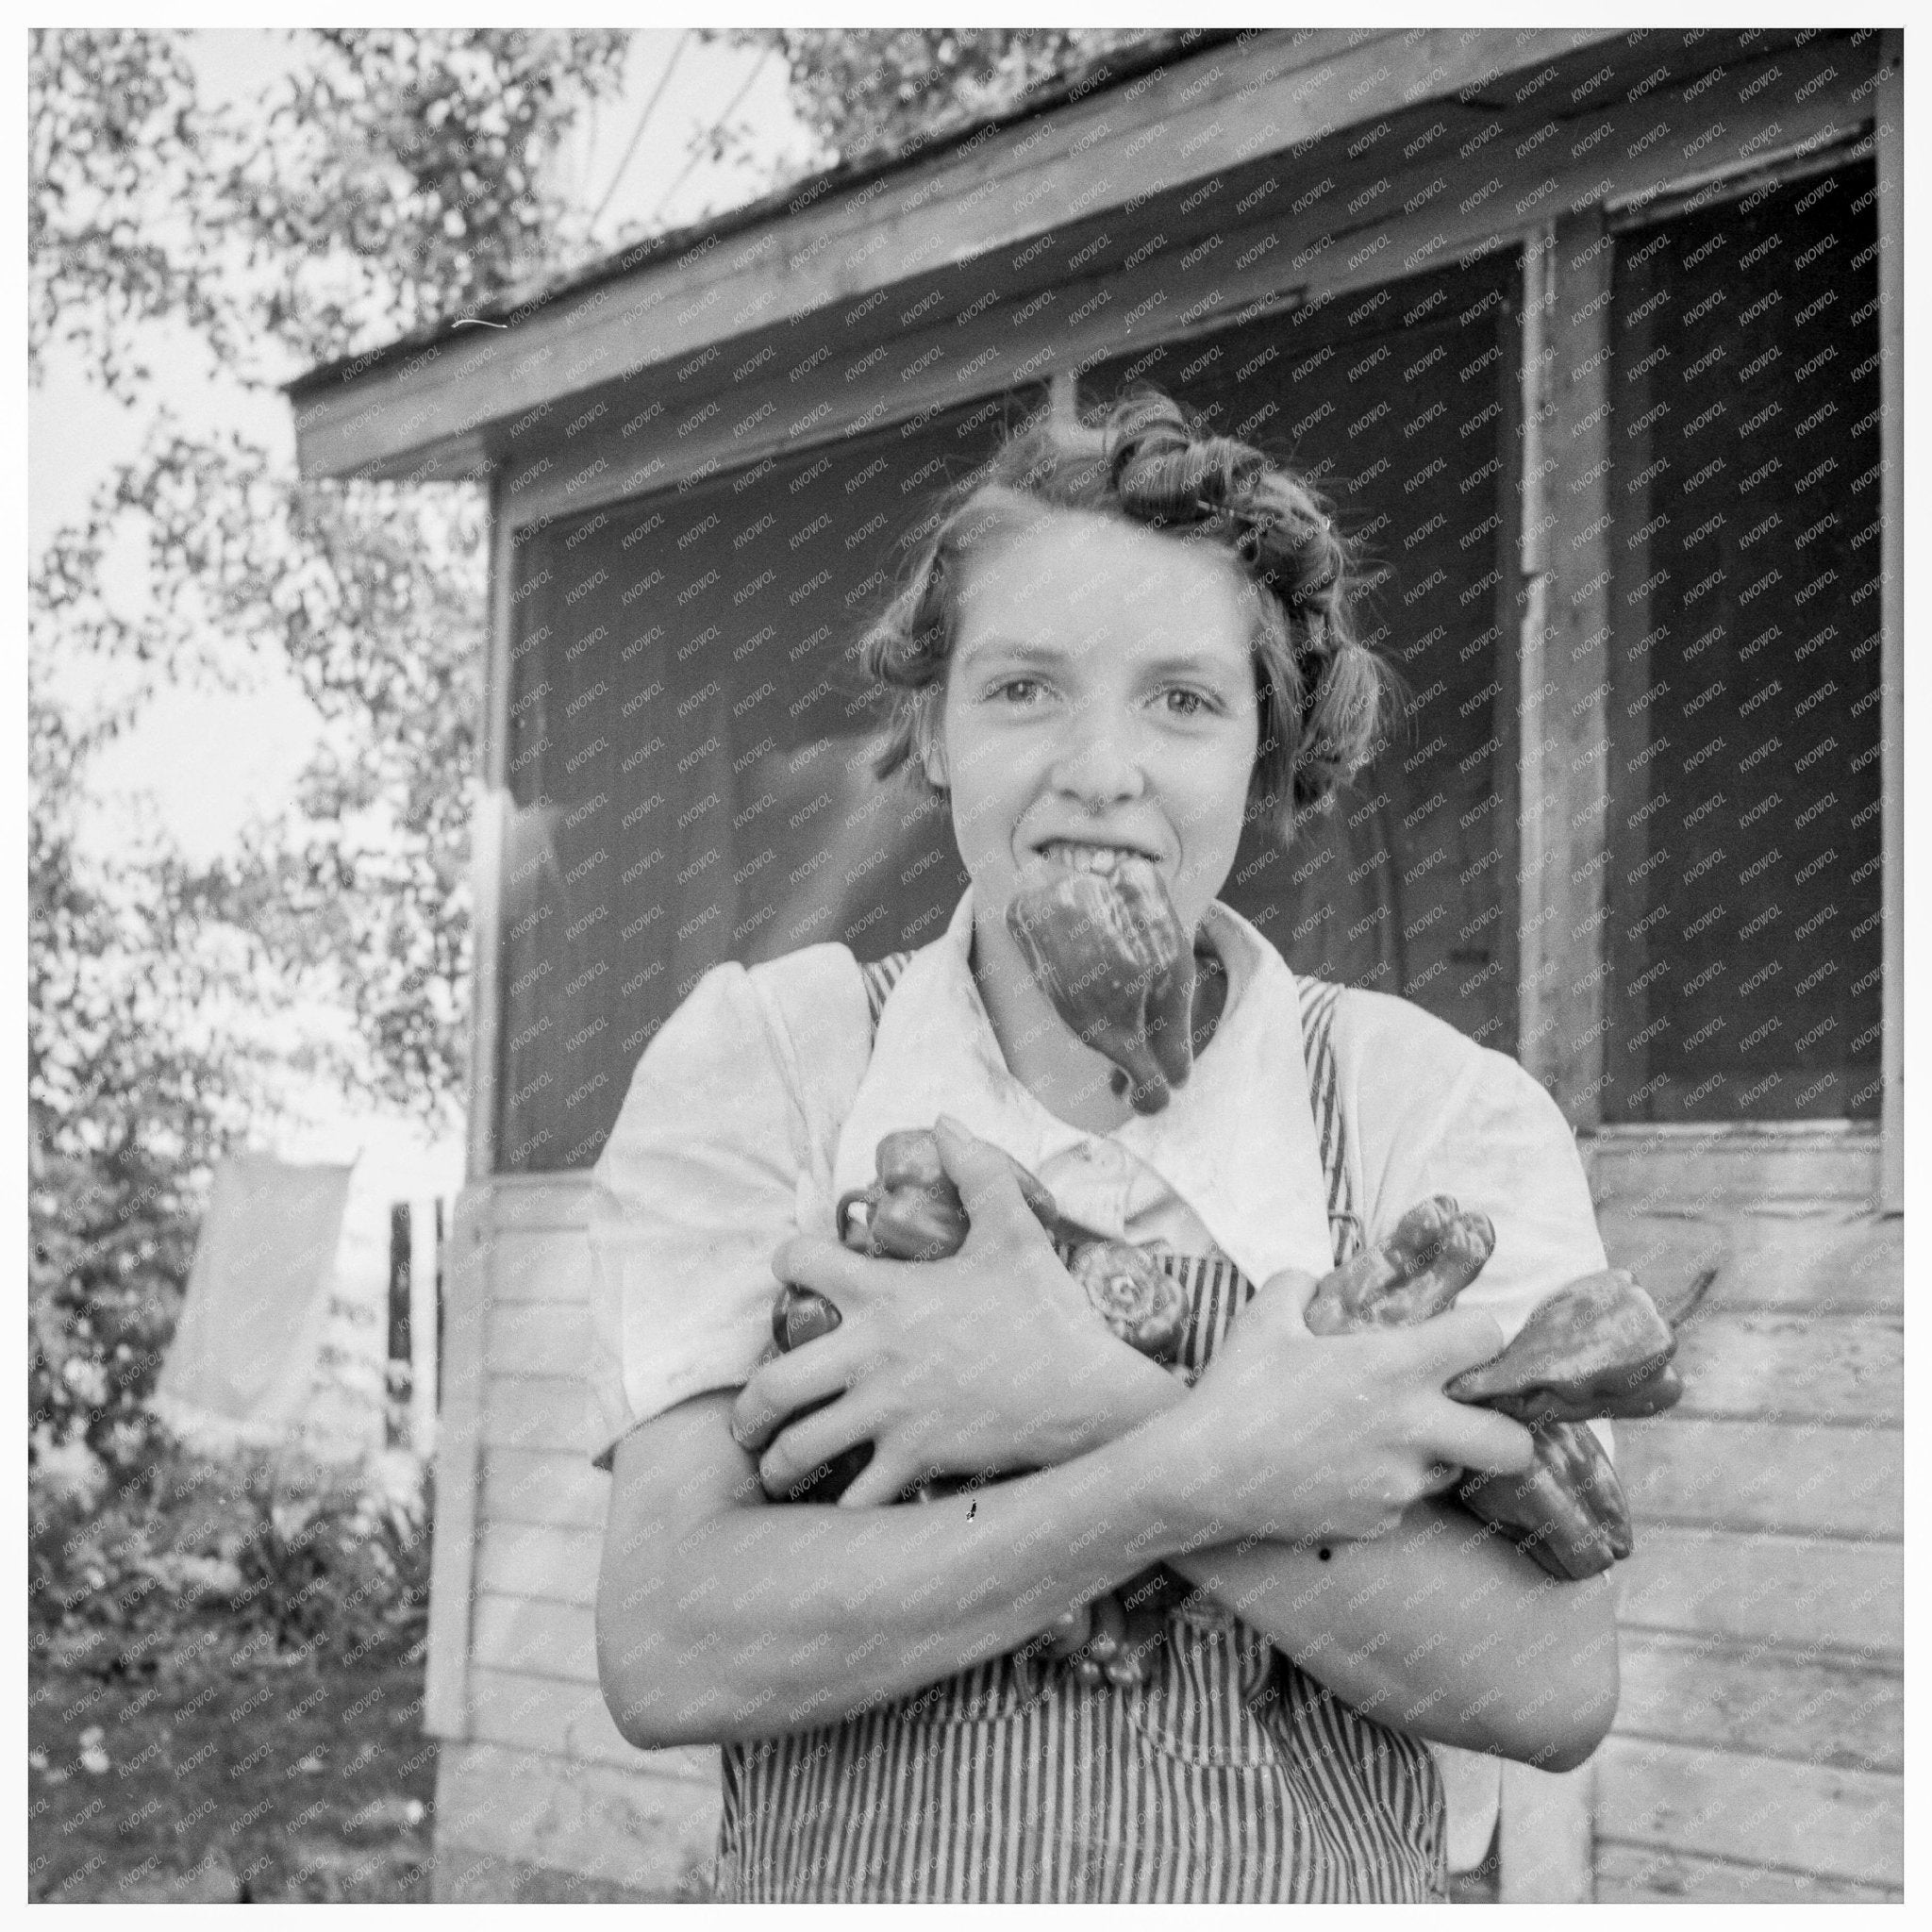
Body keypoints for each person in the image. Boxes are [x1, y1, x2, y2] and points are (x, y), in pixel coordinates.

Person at [589, 391, 1620, 1903]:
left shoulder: (1432, 1116)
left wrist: (1069, 1394)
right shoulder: (774, 1067)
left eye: (1183, 702)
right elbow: (670, 1643)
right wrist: (1198, 1465)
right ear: (930, 731)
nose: (1100, 767)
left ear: (1266, 751)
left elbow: (1548, 1683)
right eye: (1023, 691)